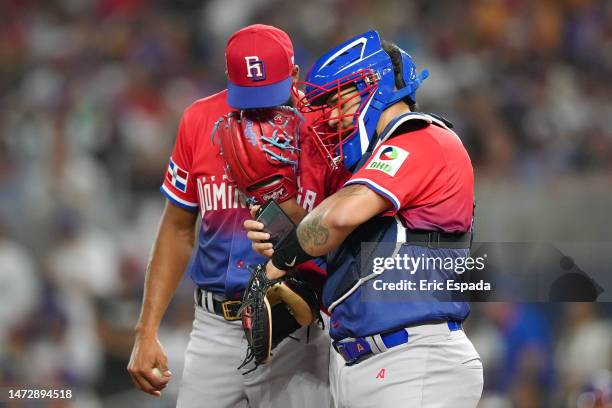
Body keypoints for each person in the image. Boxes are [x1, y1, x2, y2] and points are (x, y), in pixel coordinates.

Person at [255, 30, 484, 407]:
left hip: (415, 361)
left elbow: (337, 216)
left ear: (372, 86)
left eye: (337, 99)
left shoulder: (422, 137)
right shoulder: (371, 169)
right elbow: (343, 258)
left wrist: (278, 263)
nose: (329, 115)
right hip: (363, 363)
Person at [127, 24, 345, 408]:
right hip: (214, 327)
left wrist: (283, 203)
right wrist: (147, 330)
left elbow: (342, 230)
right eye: (248, 92)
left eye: (270, 92)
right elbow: (177, 230)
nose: (259, 104)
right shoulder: (199, 121)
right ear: (230, 79)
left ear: (294, 75)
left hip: (296, 325)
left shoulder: (323, 130)